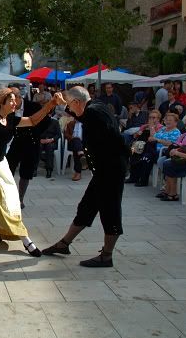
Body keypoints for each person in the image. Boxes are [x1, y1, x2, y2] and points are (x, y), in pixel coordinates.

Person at [0, 88, 65, 255]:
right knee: (4, 201)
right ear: (1, 103)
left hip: (2, 164)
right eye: (11, 100)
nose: (15, 103)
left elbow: (32, 121)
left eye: (16, 99)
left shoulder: (10, 119)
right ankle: (26, 239)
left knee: (3, 202)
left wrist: (51, 104)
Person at [42, 86, 130, 268]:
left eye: (70, 104)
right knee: (87, 206)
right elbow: (81, 115)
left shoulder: (93, 113)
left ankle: (106, 256)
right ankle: (64, 244)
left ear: (78, 102)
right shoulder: (95, 106)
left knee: (110, 210)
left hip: (111, 169)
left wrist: (86, 154)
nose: (69, 109)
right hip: (105, 169)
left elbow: (110, 136)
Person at [5, 86, 50, 208]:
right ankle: (8, 197)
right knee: (8, 169)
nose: (12, 102)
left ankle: (20, 199)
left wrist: (36, 133)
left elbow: (46, 121)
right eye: (9, 99)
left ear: (19, 97)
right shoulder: (9, 108)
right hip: (16, 142)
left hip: (31, 142)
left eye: (13, 98)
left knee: (26, 172)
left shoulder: (33, 106)